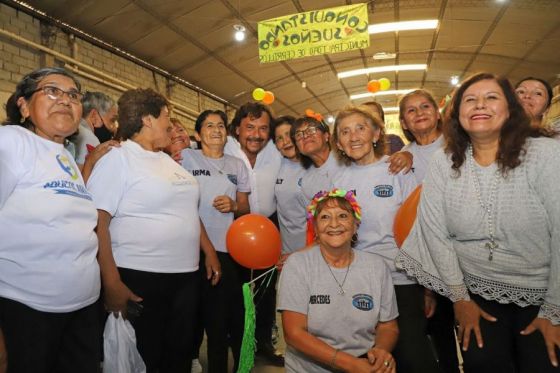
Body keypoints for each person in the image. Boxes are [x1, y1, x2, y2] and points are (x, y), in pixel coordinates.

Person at [396, 72, 560, 372]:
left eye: (491, 97)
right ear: (457, 115)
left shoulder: (546, 154)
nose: (479, 104)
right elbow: (435, 231)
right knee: (482, 362)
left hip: (545, 294)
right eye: (469, 100)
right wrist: (460, 300)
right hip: (475, 294)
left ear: (510, 108)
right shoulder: (444, 162)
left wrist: (555, 311)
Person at [87, 88, 221, 373]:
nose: (170, 125)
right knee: (147, 357)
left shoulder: (166, 160)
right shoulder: (118, 158)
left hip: (185, 277)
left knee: (178, 356)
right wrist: (110, 282)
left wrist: (208, 250)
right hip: (140, 276)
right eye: (166, 117)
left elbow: (186, 211)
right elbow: (98, 222)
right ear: (147, 120)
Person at [0, 67, 101, 372]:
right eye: (52, 91)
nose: (65, 100)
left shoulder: (65, 154)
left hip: (81, 311)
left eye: (73, 95)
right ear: (24, 105)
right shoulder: (11, 142)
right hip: (28, 312)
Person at [332, 106, 440, 372]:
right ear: (338, 143)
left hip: (400, 279)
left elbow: (418, 227)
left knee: (413, 355)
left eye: (360, 128)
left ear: (377, 133)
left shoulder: (398, 170)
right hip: (358, 281)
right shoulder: (338, 179)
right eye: (345, 131)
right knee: (369, 358)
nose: (353, 136)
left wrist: (427, 287)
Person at [278, 189, 399, 372]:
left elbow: (388, 326)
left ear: (356, 225)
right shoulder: (298, 265)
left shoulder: (377, 267)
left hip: (365, 365)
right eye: (325, 217)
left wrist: (380, 351)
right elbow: (294, 334)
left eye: (342, 216)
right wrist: (352, 365)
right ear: (316, 228)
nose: (334, 224)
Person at [181, 109, 250, 372]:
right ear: (198, 134)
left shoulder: (237, 165)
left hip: (227, 252)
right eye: (209, 126)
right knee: (196, 317)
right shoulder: (186, 158)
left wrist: (234, 205)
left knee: (222, 320)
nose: (216, 130)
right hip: (191, 249)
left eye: (221, 125)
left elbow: (246, 208)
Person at [398, 89, 460, 372]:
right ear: (403, 123)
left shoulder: (458, 146)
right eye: (411, 110)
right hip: (425, 254)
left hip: (462, 250)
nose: (419, 112)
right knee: (438, 326)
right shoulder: (401, 157)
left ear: (437, 113)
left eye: (425, 106)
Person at [225, 102, 284, 366]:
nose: (256, 135)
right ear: (237, 128)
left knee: (267, 291)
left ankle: (264, 344)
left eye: (263, 129)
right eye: (250, 127)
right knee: (235, 292)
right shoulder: (222, 148)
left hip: (269, 228)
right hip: (233, 228)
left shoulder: (276, 151)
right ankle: (237, 343)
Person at [273, 115, 307, 269]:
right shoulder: (276, 165)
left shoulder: (317, 165)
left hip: (316, 251)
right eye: (279, 138)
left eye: (288, 135)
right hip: (286, 254)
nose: (285, 141)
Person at [73, 91, 118, 170]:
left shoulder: (72, 130)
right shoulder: (90, 139)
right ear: (94, 116)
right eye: (112, 120)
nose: (114, 127)